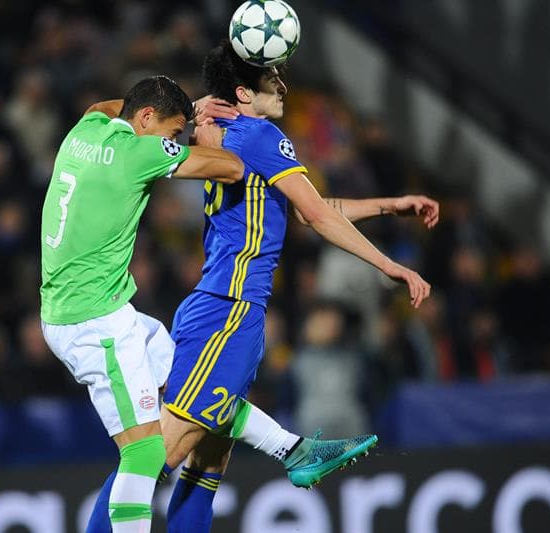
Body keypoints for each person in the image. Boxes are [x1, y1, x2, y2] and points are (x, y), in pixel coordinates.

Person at [88, 43, 439, 532]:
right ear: (242, 91)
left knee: (208, 460)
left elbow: (301, 206)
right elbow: (314, 215)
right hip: (229, 312)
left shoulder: (225, 133)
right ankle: (294, 452)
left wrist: (388, 205)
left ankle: (292, 452)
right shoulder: (258, 135)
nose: (284, 87)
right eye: (274, 79)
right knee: (153, 459)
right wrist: (389, 265)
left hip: (220, 307)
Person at [39, 75, 243, 533]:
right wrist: (217, 133)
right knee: (146, 450)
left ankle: (290, 449)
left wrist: (186, 108)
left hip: (81, 306)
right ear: (148, 120)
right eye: (173, 133)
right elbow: (230, 168)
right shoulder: (140, 153)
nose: (173, 142)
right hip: (92, 318)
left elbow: (102, 104)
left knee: (198, 389)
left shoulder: (85, 131)